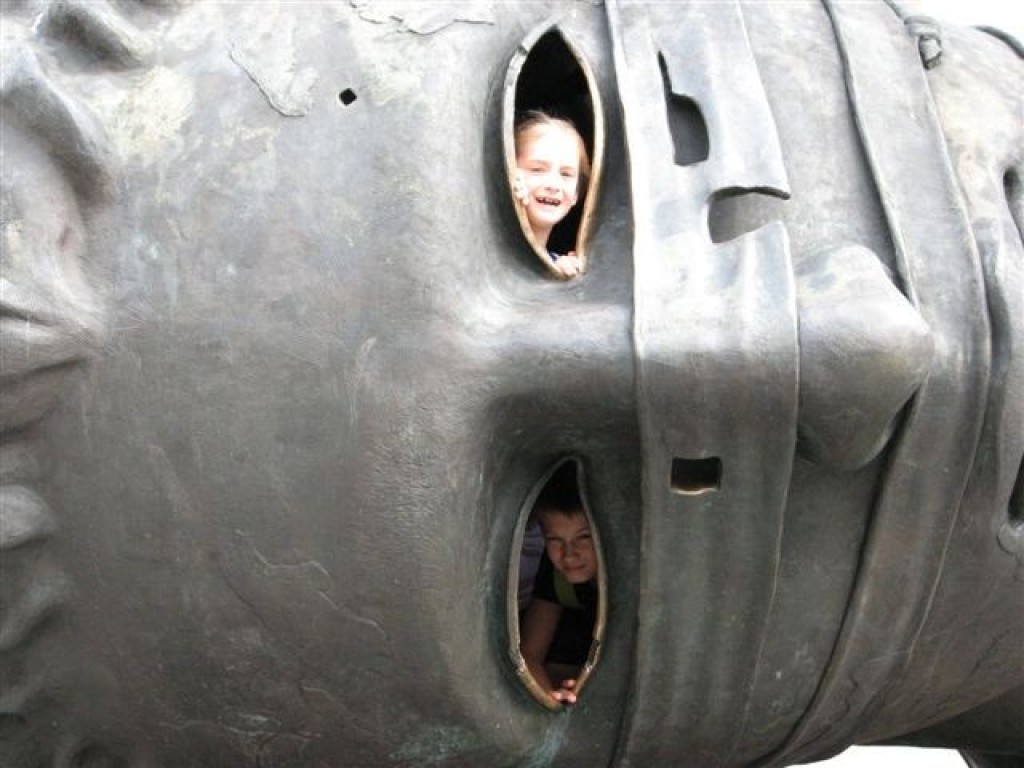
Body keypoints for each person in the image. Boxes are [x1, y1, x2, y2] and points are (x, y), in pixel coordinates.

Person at [519, 468, 598, 705]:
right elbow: (530, 654)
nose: (569, 554)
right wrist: (551, 701)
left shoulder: (632, 578)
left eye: (583, 537)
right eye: (555, 540)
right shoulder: (555, 572)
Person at [512, 111, 590, 279]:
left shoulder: (561, 264)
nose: (553, 185)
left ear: (576, 193)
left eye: (566, 174)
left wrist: (561, 278)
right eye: (537, 170)